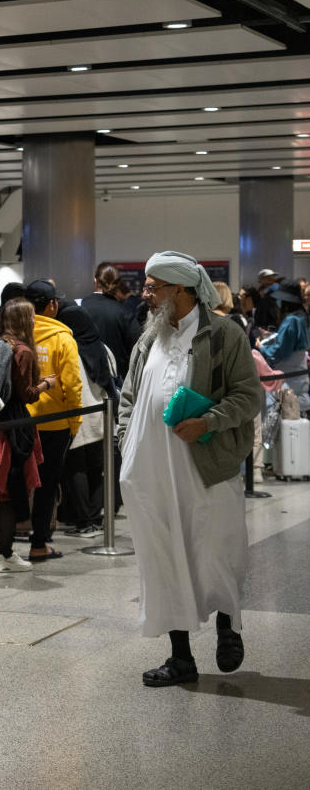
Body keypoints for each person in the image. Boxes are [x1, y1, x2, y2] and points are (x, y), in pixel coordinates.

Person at [118, 251, 261, 687]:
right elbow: (128, 397)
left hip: (207, 467)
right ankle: (180, 658)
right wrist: (126, 439)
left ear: (179, 290)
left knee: (215, 551)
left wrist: (208, 422)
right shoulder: (148, 340)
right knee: (163, 559)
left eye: (153, 286)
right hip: (151, 474)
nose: (145, 294)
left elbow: (248, 396)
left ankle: (227, 629)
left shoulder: (223, 335)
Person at [0, 299, 43, 573]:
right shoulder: (23, 351)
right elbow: (25, 394)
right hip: (14, 424)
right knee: (6, 491)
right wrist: (46, 383)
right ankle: (6, 554)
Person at [24, 280, 82, 561]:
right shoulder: (63, 338)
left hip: (19, 422)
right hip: (54, 423)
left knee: (14, 482)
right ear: (52, 305)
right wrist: (75, 422)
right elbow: (72, 384)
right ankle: (38, 544)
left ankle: (2, 550)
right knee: (47, 485)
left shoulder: (16, 334)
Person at [56, 305, 118, 538]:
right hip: (101, 417)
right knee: (98, 469)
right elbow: (113, 379)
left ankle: (84, 522)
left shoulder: (68, 348)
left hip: (77, 418)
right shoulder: (102, 348)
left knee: (75, 469)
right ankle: (95, 518)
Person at [81, 263, 142, 381]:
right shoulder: (123, 312)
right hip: (117, 381)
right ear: (118, 284)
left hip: (86, 378)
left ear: (95, 280)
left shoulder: (81, 307)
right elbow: (137, 346)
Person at [258, 282, 310, 411]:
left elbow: (281, 350)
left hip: (288, 376)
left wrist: (261, 348)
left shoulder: (291, 320)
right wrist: (275, 336)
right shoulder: (302, 317)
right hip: (299, 373)